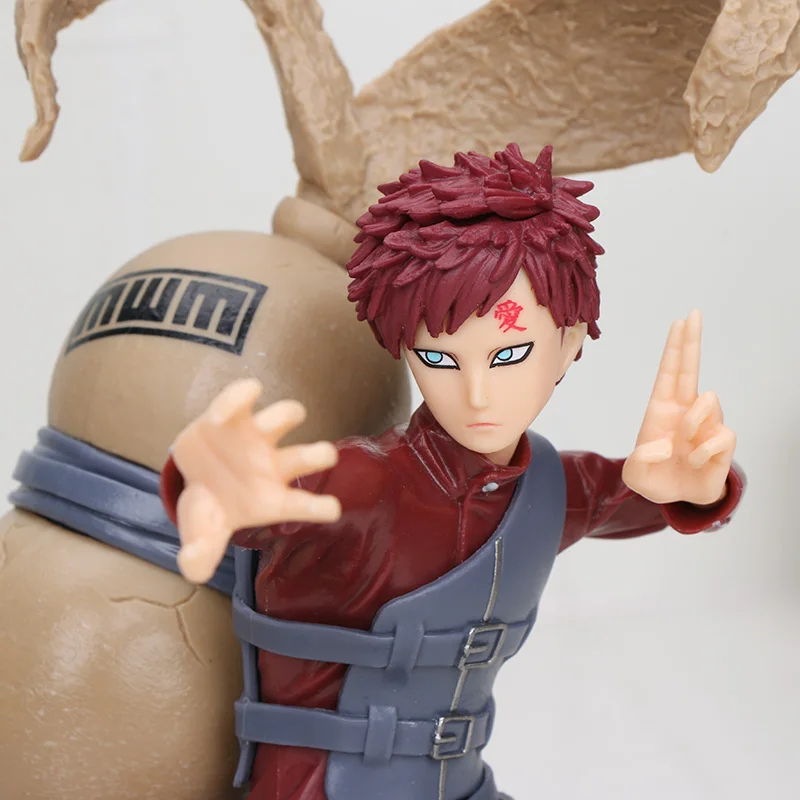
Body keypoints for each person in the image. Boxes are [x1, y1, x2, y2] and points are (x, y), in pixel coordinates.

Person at [160, 144, 743, 800]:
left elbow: (641, 492)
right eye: (440, 360)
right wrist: (206, 488)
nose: (477, 395)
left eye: (509, 354)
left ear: (569, 342)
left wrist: (699, 488)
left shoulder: (548, 489)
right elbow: (272, 504)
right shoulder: (362, 486)